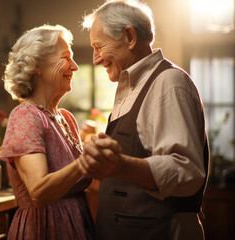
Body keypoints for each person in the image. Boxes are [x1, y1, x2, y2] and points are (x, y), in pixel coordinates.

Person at [77, 1, 209, 240]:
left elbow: (186, 171)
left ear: (129, 37)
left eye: (99, 47)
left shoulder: (169, 82)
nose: (96, 59)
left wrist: (119, 165)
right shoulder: (130, 89)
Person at [0, 24, 95, 240]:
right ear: (38, 66)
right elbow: (39, 192)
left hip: (77, 226)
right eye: (66, 57)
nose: (75, 66)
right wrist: (85, 161)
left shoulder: (67, 118)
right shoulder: (25, 116)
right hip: (45, 229)